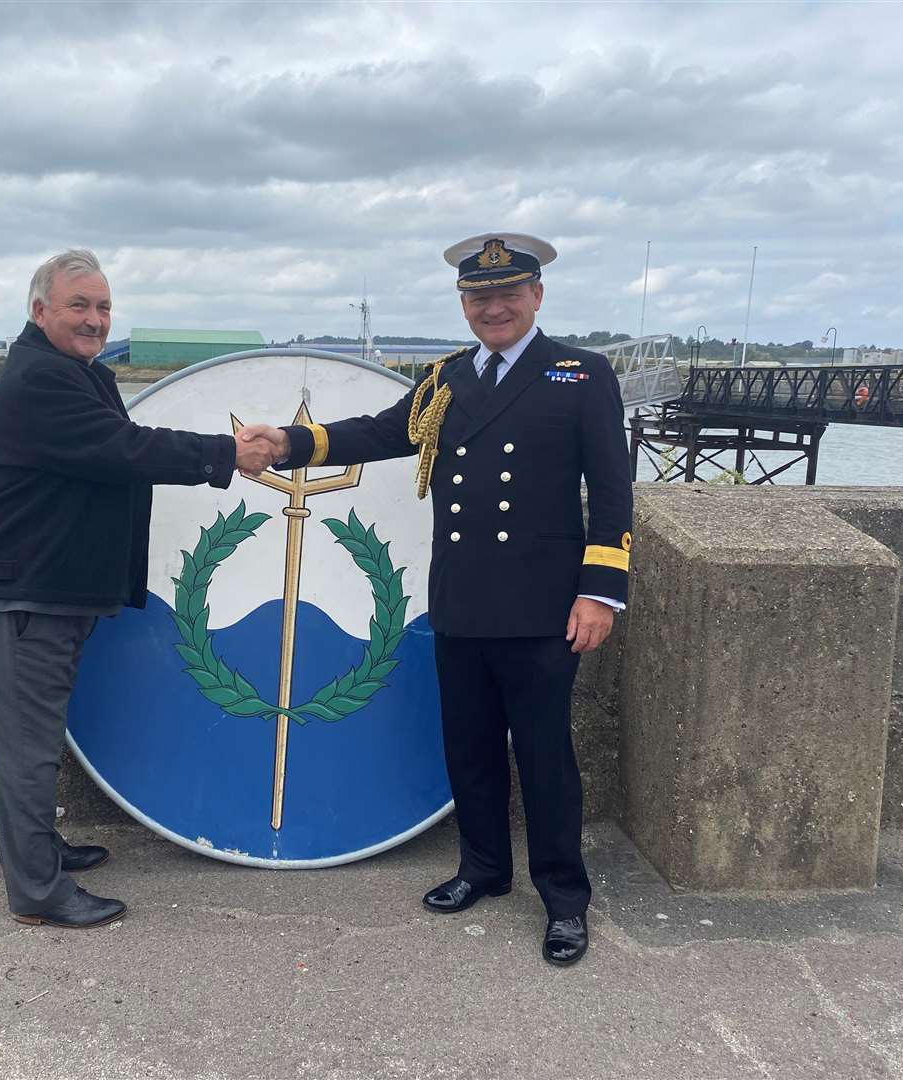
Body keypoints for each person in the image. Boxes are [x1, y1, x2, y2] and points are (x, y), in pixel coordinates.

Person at [240, 233, 632, 966]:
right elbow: (383, 432)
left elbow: (611, 493)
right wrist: (291, 441)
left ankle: (565, 900)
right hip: (461, 598)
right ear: (463, 305)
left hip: (545, 607)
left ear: (536, 297)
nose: (494, 307)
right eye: (478, 297)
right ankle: (483, 869)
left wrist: (601, 594)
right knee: (470, 747)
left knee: (546, 758)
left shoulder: (580, 375)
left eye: (508, 294)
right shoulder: (448, 378)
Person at [0, 249, 277, 929]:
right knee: (28, 749)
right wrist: (226, 455)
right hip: (23, 596)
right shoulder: (40, 381)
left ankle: (40, 851)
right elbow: (124, 450)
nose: (95, 319)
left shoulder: (76, 371)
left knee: (38, 740)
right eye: (80, 305)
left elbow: (118, 445)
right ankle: (36, 892)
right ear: (39, 310)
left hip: (52, 590)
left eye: (103, 307)